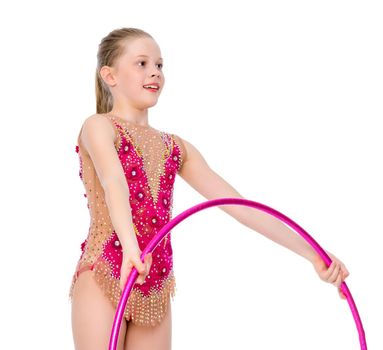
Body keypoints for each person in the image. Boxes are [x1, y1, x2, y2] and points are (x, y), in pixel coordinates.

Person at [69, 27, 350, 350]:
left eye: (160, 65)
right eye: (142, 63)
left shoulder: (176, 147)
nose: (155, 73)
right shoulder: (99, 126)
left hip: (155, 285)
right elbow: (113, 181)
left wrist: (312, 253)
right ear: (110, 75)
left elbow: (239, 206)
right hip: (106, 270)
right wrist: (131, 248)